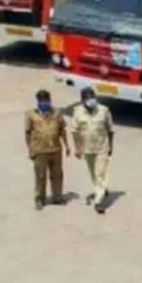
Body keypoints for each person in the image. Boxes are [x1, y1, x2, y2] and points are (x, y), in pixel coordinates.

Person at [25, 89, 70, 210]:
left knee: (57, 175)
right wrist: (29, 148)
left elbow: (62, 130)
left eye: (47, 100)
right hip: (39, 150)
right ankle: (40, 199)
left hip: (55, 149)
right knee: (40, 176)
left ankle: (57, 197)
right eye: (42, 100)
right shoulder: (31, 114)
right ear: (38, 101)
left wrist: (67, 145)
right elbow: (28, 133)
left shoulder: (57, 113)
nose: (45, 102)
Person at [72, 86, 114, 214]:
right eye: (88, 98)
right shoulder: (77, 112)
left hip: (102, 146)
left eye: (92, 97)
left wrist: (111, 146)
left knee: (100, 172)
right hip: (87, 148)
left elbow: (110, 130)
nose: (91, 100)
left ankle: (99, 202)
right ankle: (101, 190)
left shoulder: (104, 110)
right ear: (83, 100)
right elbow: (75, 131)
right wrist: (78, 148)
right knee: (93, 173)